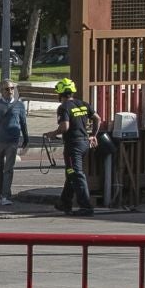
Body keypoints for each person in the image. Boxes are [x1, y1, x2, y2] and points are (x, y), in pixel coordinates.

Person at [54, 78, 97, 217]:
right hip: (84, 143)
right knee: (71, 173)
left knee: (77, 174)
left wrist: (52, 133)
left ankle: (86, 206)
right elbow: (97, 118)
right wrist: (93, 135)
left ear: (60, 94)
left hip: (73, 146)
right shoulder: (83, 104)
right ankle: (64, 202)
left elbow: (64, 127)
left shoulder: (64, 107)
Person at [0, 80, 29, 206]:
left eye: (12, 88)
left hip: (12, 141)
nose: (10, 91)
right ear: (1, 91)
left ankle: (6, 195)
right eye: (7, 89)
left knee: (9, 169)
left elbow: (23, 123)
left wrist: (26, 138)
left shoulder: (19, 105)